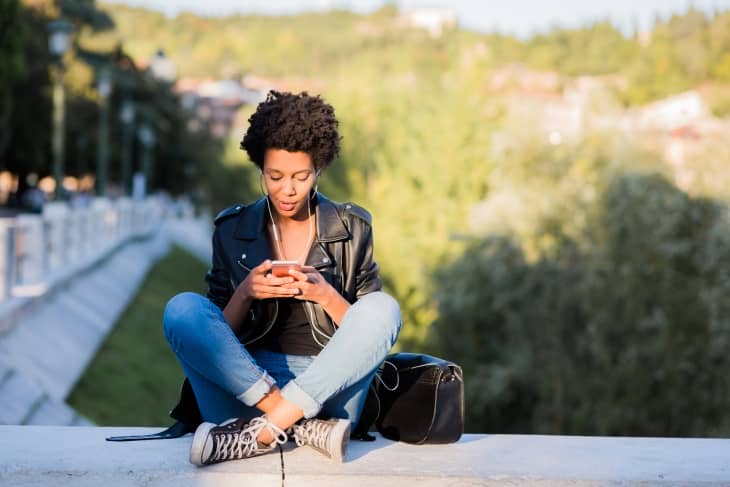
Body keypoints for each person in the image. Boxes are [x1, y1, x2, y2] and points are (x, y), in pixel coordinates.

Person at [162, 90, 402, 467]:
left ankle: (263, 430)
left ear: (318, 170)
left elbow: (371, 336)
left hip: (329, 390)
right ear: (260, 169)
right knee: (182, 310)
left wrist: (326, 296)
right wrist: (245, 293)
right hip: (245, 386)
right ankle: (296, 424)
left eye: (301, 176)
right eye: (275, 176)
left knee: (384, 309)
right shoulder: (231, 229)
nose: (287, 189)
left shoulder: (352, 228)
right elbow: (213, 339)